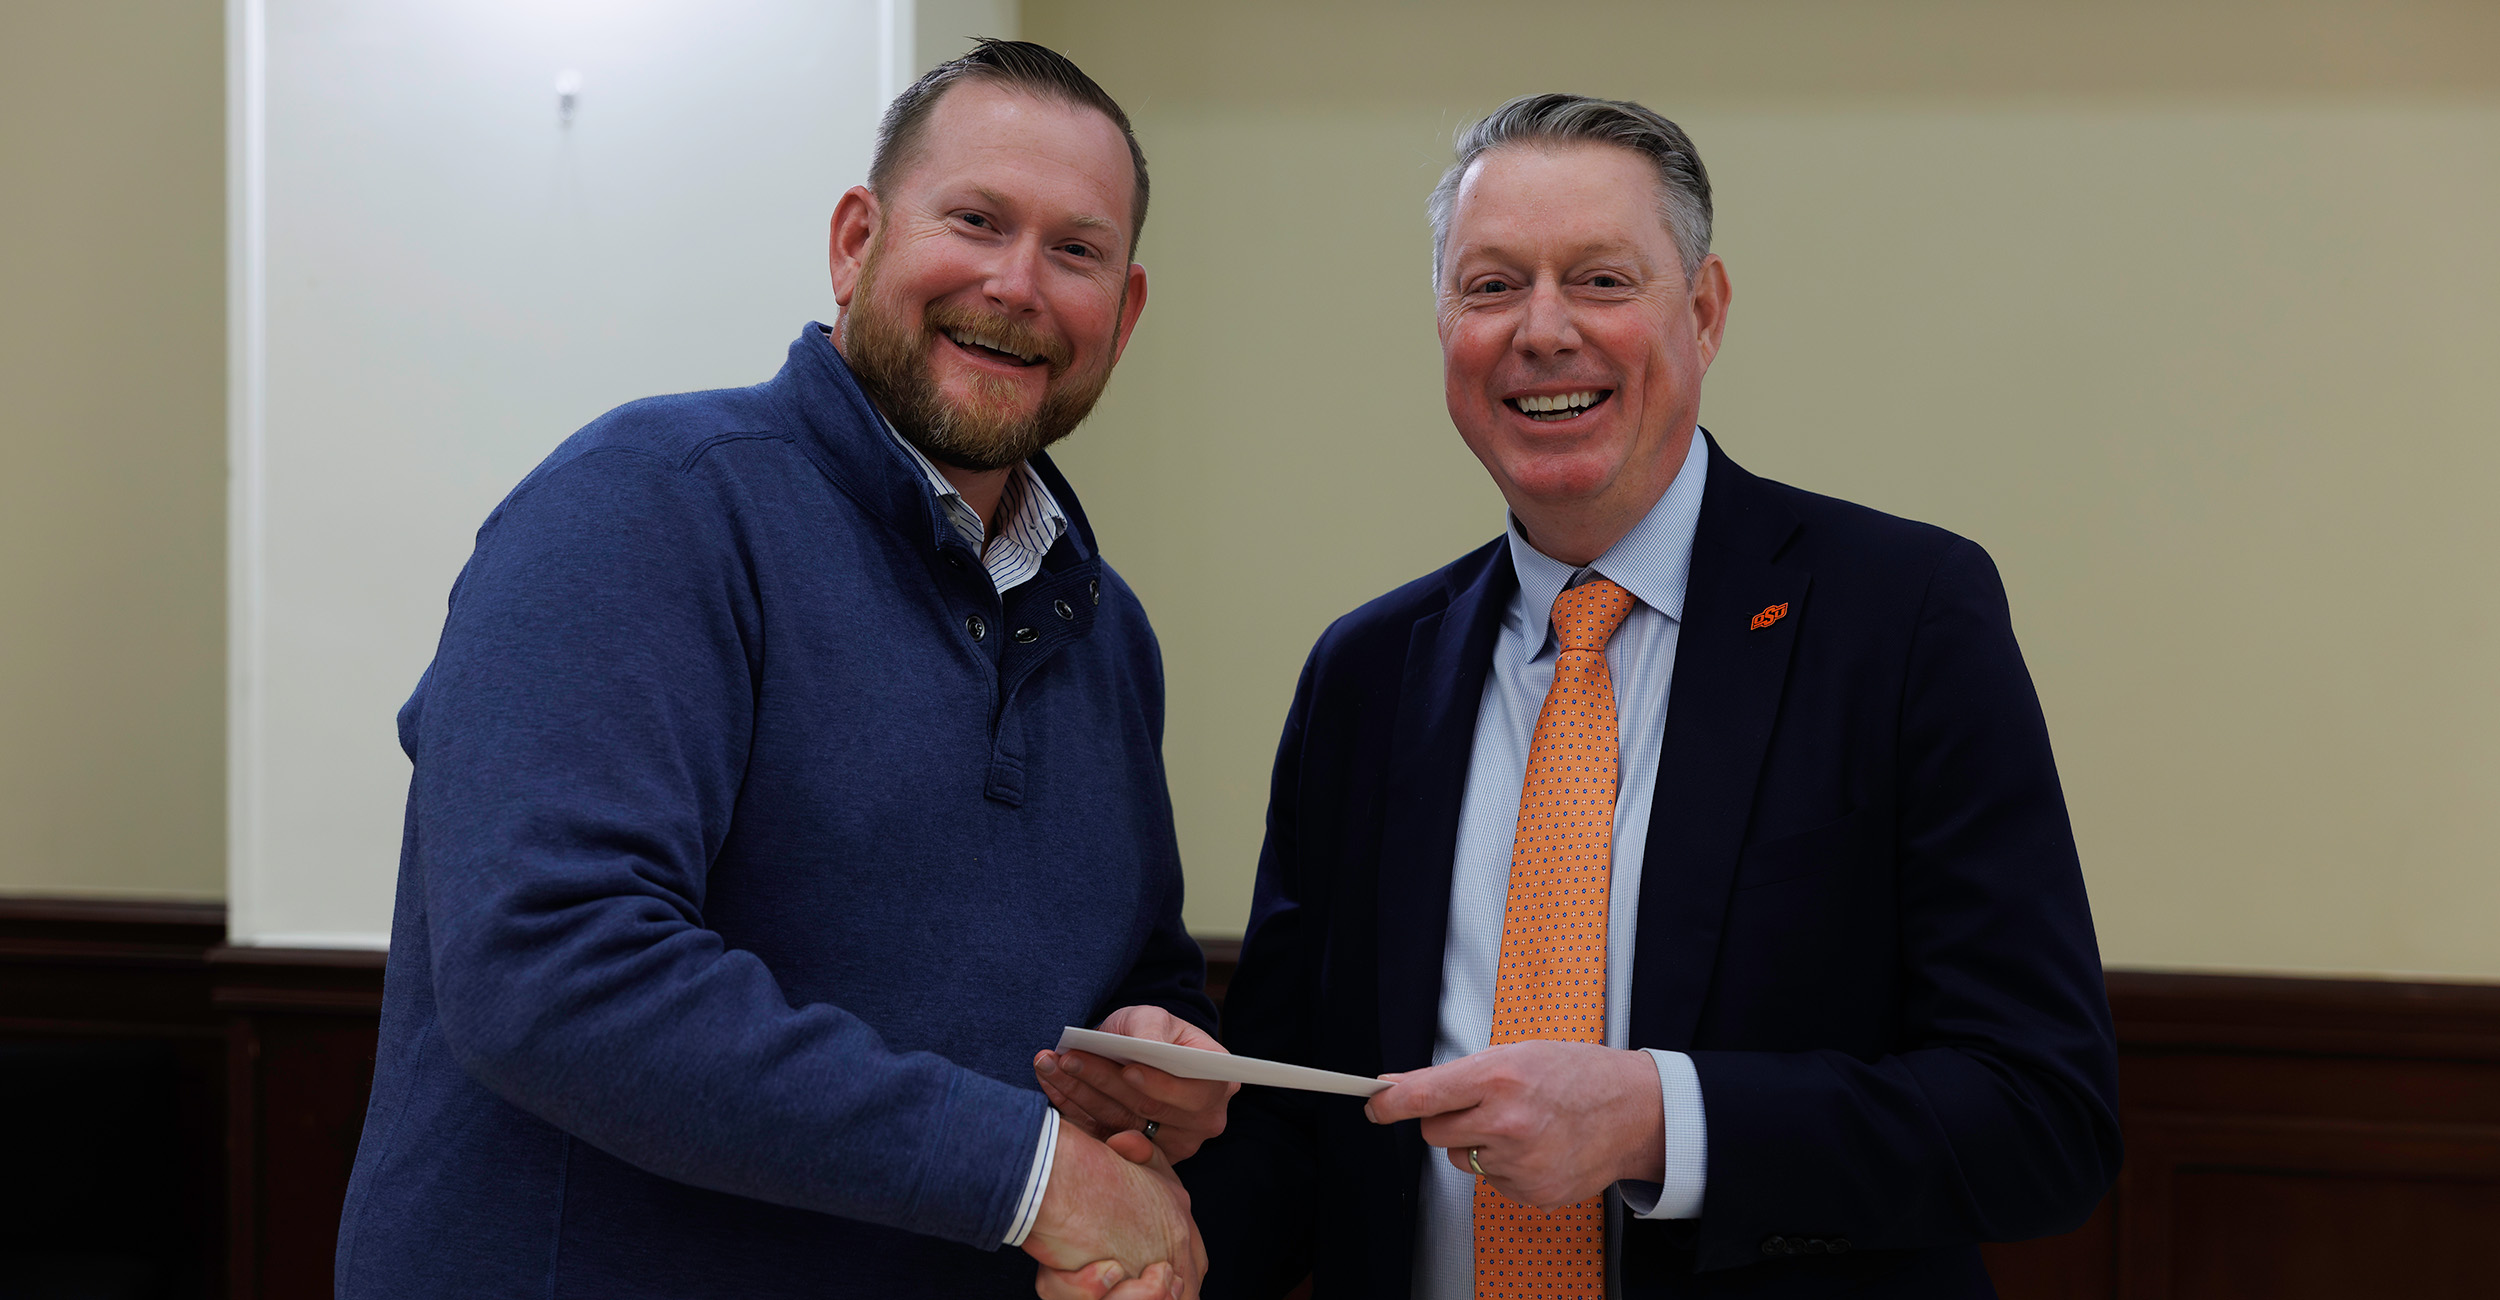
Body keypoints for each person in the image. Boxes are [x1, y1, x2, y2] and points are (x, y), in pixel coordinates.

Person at [1178, 94, 2121, 1297]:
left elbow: (2041, 1113)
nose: (1542, 330)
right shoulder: (1365, 675)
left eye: (1602, 281)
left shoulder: (1903, 616)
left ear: (1706, 311)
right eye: (1490, 286)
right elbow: (1296, 1125)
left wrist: (1658, 1119)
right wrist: (1160, 1204)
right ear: (1444, 329)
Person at [336, 40, 1230, 1300]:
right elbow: (556, 967)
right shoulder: (646, 504)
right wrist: (1032, 1174)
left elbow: (1134, 972)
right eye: (975, 219)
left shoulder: (1105, 630)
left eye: (1075, 251)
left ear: (1123, 315)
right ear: (857, 241)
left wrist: (1148, 1064)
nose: (1018, 283)